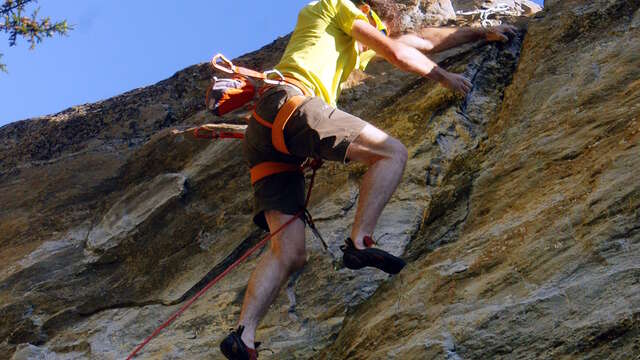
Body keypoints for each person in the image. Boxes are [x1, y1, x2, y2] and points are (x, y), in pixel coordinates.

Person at [220, 1, 517, 358]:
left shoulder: (350, 47)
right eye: (374, 24)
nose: (374, 32)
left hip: (265, 137)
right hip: (290, 104)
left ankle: (244, 336)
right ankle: (360, 242)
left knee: (289, 251)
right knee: (392, 153)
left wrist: (479, 32)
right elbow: (392, 49)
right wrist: (443, 77)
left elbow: (420, 40)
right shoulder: (335, 5)